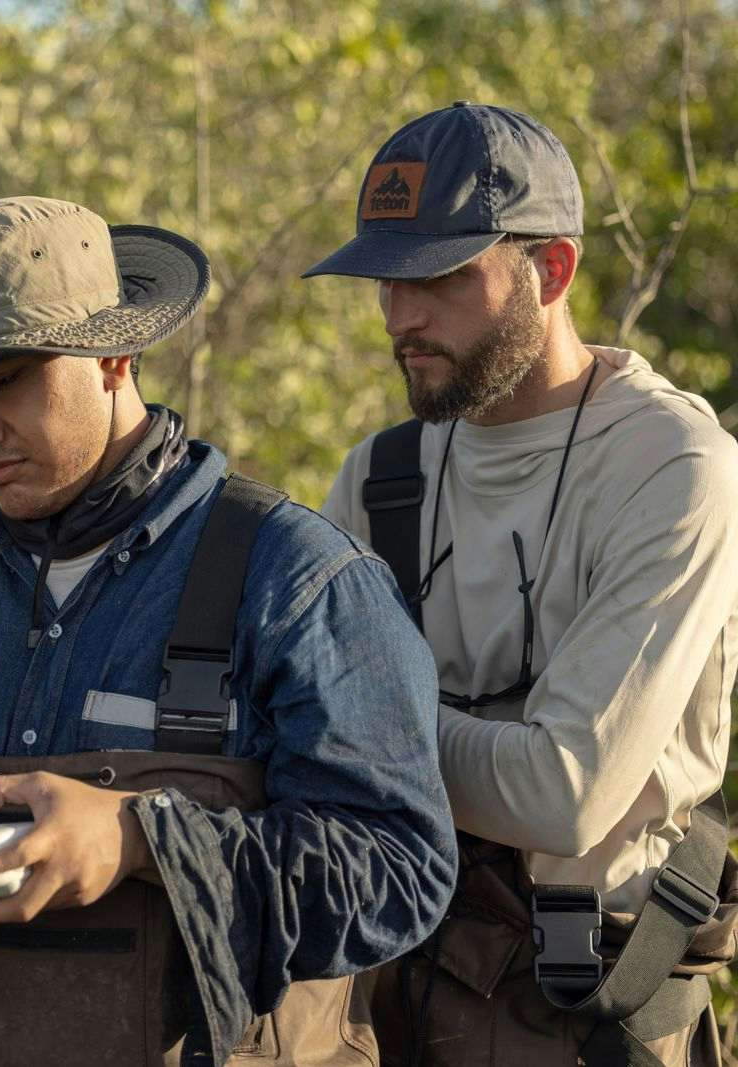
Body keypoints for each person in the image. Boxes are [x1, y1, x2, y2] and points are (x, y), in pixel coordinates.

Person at [0, 195, 458, 1066]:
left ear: (115, 352)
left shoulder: (299, 579)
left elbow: (401, 871)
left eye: (5, 380)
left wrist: (141, 838)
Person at [310, 102, 738, 1066]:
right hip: (392, 982)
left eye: (441, 278)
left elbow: (563, 796)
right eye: (387, 279)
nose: (400, 317)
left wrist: (359, 729)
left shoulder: (675, 466)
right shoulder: (379, 477)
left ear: (550, 272)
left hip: (591, 998)